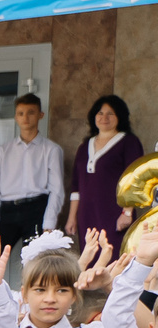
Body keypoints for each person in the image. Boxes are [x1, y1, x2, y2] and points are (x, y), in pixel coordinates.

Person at [0, 94, 62, 254]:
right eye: (21, 113)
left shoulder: (51, 149)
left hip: (36, 208)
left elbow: (56, 189)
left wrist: (49, 222)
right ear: (15, 117)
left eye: (31, 112)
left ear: (41, 115)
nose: (25, 117)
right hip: (7, 210)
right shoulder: (3, 150)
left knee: (34, 260)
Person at [66, 95, 141, 244]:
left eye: (110, 113)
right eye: (100, 113)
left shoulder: (129, 142)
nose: (104, 117)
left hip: (115, 213)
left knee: (115, 257)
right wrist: (72, 217)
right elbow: (76, 186)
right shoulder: (84, 147)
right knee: (90, 257)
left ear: (120, 116)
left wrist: (127, 213)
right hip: (87, 214)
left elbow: (135, 178)